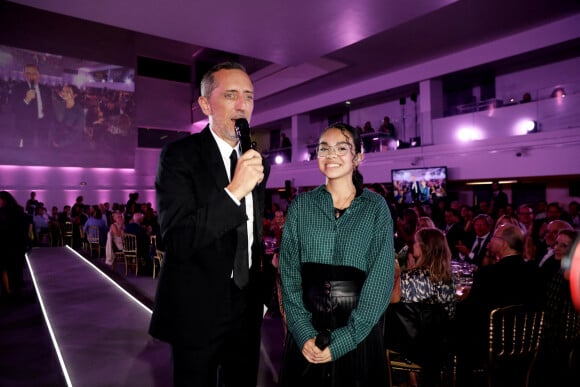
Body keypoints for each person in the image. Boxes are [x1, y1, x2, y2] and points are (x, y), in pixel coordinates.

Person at [149, 62, 269, 387]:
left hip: (246, 307)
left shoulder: (257, 163)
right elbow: (177, 238)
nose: (242, 105)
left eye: (249, 96)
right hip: (196, 309)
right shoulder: (179, 157)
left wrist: (262, 296)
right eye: (231, 95)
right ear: (205, 105)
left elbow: (251, 238)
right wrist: (234, 192)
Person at [279, 122, 395, 386]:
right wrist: (302, 330)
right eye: (324, 148)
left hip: (358, 330)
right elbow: (289, 274)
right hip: (307, 327)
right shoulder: (301, 206)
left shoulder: (375, 207)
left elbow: (380, 279)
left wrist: (347, 338)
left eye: (341, 148)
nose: (330, 154)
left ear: (358, 157)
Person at [388, 227, 456, 386]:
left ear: (424, 247)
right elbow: (451, 314)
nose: (414, 245)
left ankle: (406, 377)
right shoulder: (449, 278)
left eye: (417, 242)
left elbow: (391, 302)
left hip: (412, 345)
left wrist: (396, 274)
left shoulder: (407, 278)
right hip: (441, 345)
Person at [11, 64, 53, 148]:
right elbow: (14, 109)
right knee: (27, 149)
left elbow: (49, 107)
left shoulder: (46, 89)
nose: (31, 76)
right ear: (24, 75)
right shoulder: (17, 88)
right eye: (28, 73)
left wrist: (47, 121)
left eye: (34, 73)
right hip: (26, 125)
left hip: (42, 124)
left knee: (42, 147)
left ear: (39, 75)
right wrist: (26, 100)